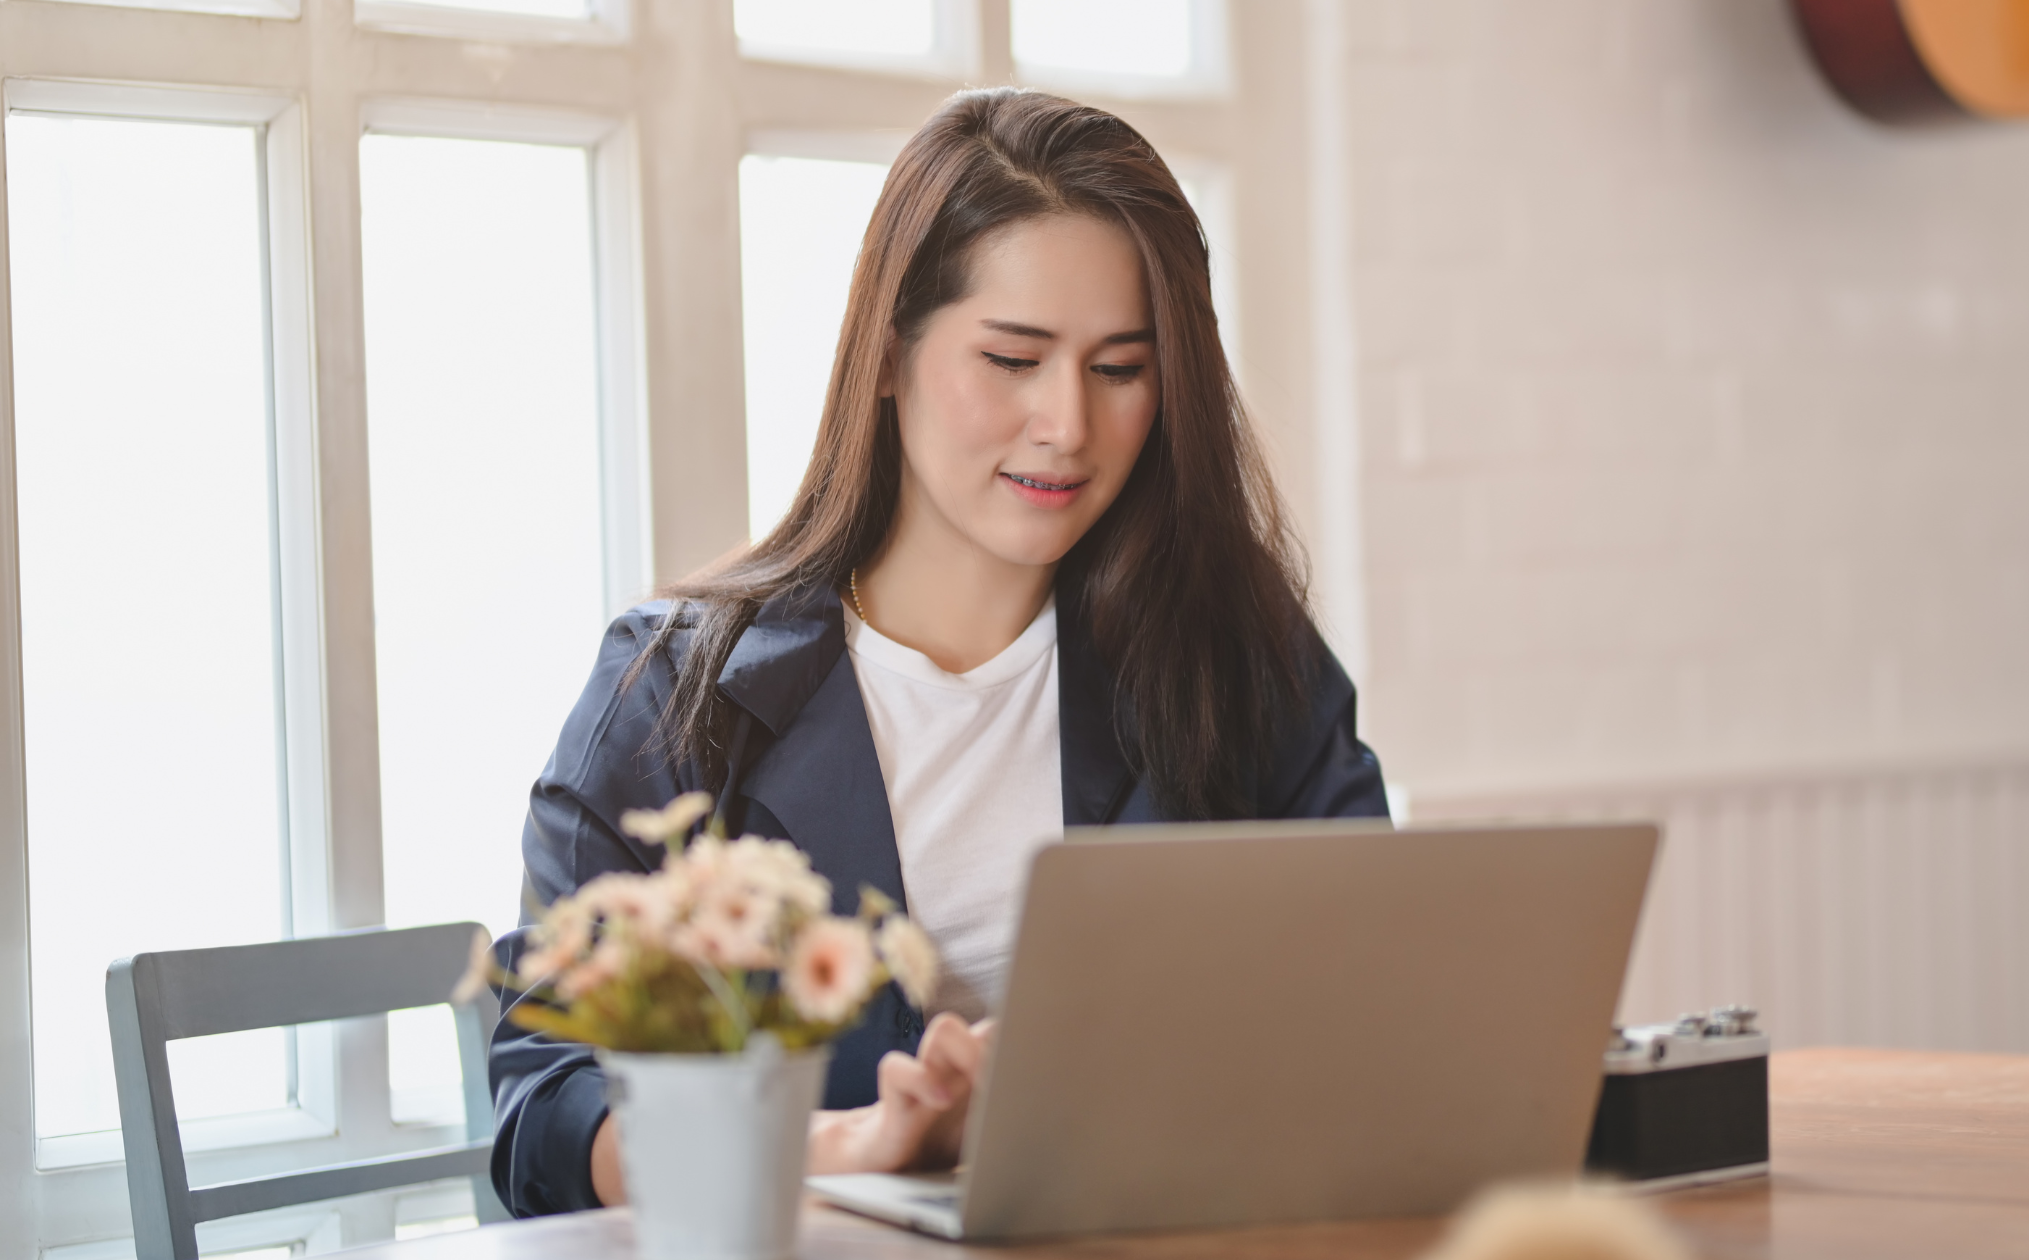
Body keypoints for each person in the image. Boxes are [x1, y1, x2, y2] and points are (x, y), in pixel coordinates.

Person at [487, 86, 1388, 1218]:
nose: (1067, 422)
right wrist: (850, 1143)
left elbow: (1370, 1000)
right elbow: (546, 1108)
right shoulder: (675, 690)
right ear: (887, 357)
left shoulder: (1235, 659)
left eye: (1120, 368)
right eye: (1012, 359)